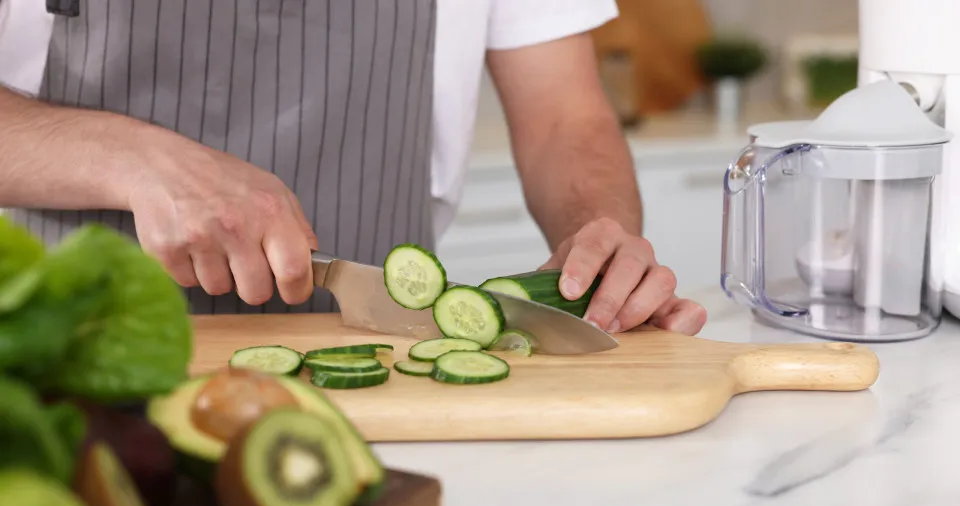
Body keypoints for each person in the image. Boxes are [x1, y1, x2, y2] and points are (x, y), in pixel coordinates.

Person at [0, 0, 706, 336]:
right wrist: (138, 159)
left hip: (384, 364)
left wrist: (598, 236)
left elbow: (565, 117)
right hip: (61, 357)